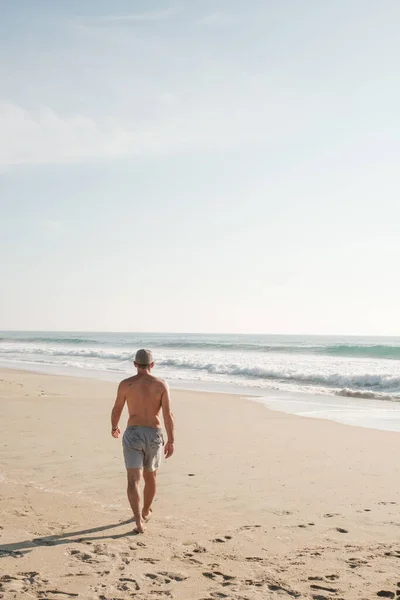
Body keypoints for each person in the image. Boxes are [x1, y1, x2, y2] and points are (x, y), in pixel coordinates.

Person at [111, 348, 174, 534]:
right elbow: (167, 414)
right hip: (154, 434)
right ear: (152, 365)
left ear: (135, 365)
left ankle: (139, 521)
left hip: (133, 433)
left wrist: (114, 427)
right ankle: (146, 511)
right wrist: (171, 440)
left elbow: (117, 409)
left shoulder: (126, 384)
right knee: (150, 476)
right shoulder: (161, 385)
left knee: (133, 479)